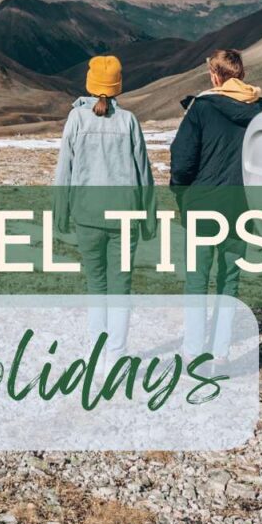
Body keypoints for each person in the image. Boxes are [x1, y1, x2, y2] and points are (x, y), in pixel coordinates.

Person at [171, 48, 262, 366]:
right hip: (242, 205)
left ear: (215, 76)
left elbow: (183, 161)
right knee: (230, 279)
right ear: (240, 75)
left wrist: (181, 195)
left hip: (202, 205)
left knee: (197, 278)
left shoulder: (201, 108)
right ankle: (221, 353)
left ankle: (193, 351)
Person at [54, 54, 156, 361]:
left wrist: (61, 213)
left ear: (90, 83)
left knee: (96, 285)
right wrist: (149, 219)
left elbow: (65, 170)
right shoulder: (128, 122)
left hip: (87, 216)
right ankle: (117, 358)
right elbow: (143, 174)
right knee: (120, 287)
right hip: (125, 217)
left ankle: (98, 357)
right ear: (117, 86)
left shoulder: (76, 119)